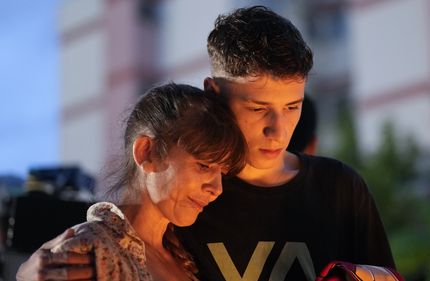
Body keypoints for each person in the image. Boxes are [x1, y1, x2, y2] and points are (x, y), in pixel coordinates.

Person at [17, 6, 395, 281]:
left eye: (292, 106)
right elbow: (114, 240)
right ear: (213, 92)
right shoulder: (186, 196)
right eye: (258, 107)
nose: (277, 130)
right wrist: (32, 270)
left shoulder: (340, 188)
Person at [16, 83, 247, 281]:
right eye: (204, 165)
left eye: (222, 172)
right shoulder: (91, 249)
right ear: (146, 152)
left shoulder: (186, 257)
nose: (216, 189)